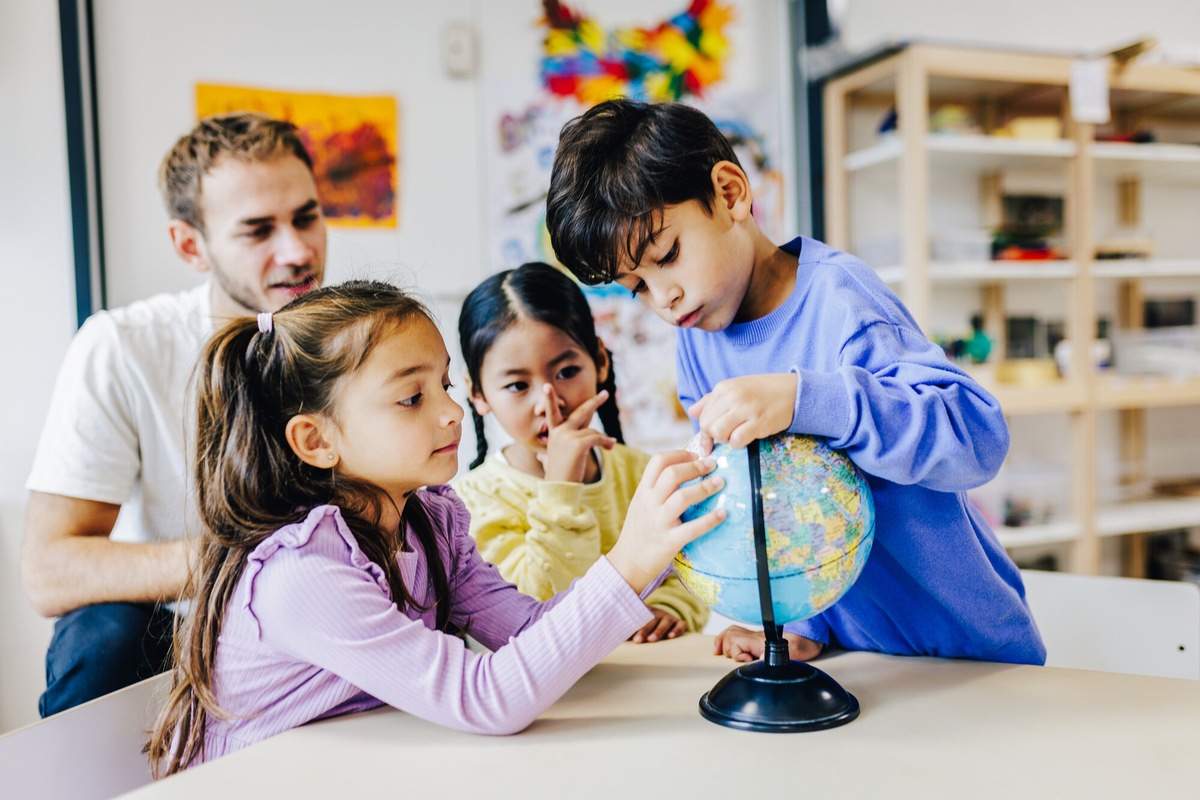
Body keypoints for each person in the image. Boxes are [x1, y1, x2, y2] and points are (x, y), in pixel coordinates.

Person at [145, 280, 726, 775]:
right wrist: (630, 557)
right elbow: (487, 697)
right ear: (316, 441)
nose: (450, 412)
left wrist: (650, 556)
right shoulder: (303, 573)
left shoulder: (428, 523)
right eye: (410, 398)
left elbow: (526, 631)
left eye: (445, 385)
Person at [544, 99, 1046, 666]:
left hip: (963, 652)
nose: (664, 298)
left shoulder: (841, 301)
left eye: (668, 255)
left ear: (730, 194)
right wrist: (798, 623)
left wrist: (806, 399)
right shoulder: (697, 342)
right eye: (635, 286)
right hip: (852, 661)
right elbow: (779, 506)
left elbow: (977, 439)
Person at [21, 112, 327, 716]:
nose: (297, 250)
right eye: (258, 230)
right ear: (191, 245)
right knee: (101, 634)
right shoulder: (123, 346)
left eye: (307, 217)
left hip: (324, 609)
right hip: (181, 623)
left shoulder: (359, 343)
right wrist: (247, 559)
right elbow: (49, 570)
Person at [454, 262, 708, 643]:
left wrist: (671, 609)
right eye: (517, 385)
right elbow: (531, 618)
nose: (548, 401)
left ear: (600, 361)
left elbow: (692, 573)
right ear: (478, 395)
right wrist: (560, 488)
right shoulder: (470, 502)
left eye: (567, 371)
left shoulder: (642, 474)